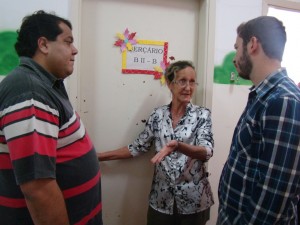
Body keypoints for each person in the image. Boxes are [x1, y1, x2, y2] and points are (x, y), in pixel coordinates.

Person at [0, 10, 103, 225]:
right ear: (44, 45)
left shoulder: (44, 85)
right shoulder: (29, 91)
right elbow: (38, 188)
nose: (75, 50)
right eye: (68, 42)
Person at [98, 60, 214, 225]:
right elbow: (136, 147)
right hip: (161, 200)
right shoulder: (157, 116)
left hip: (194, 201)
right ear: (169, 84)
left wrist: (179, 146)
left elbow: (207, 151)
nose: (188, 87)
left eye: (192, 81)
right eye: (182, 81)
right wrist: (99, 157)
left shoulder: (202, 115)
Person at [217, 16, 300, 224]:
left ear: (252, 44)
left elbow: (274, 194)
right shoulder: (263, 95)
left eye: (237, 47)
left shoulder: (283, 100)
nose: (235, 57)